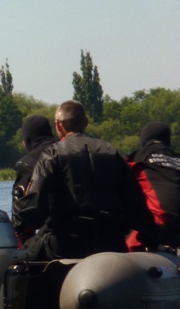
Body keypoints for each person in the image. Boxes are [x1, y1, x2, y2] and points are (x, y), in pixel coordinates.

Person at [14, 100, 156, 260]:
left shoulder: (51, 154)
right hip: (111, 243)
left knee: (22, 255)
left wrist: (20, 207)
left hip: (66, 245)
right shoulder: (111, 151)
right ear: (86, 123)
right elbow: (138, 208)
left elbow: (34, 214)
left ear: (58, 126)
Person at [126, 121, 180, 250]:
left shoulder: (137, 157)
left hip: (158, 226)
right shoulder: (177, 158)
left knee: (123, 249)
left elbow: (118, 181)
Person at [11, 115, 57, 246]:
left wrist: (22, 246)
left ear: (27, 139)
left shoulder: (27, 163)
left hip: (55, 237)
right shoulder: (66, 149)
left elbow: (21, 213)